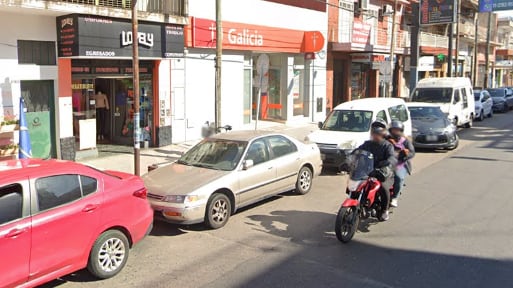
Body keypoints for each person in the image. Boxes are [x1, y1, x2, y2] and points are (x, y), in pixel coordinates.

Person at [357, 119, 397, 221]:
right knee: (356, 183)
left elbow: (392, 158)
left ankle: (384, 210)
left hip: (384, 173)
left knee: (382, 187)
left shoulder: (387, 146)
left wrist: (386, 163)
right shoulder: (367, 144)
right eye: (374, 133)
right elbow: (357, 151)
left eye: (378, 133)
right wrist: (348, 160)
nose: (375, 135)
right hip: (369, 171)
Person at [387, 120, 415, 208]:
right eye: (394, 130)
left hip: (400, 164)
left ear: (401, 130)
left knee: (398, 177)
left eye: (397, 130)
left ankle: (395, 197)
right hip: (386, 163)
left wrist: (404, 155)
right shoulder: (386, 139)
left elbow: (412, 152)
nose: (395, 132)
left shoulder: (405, 141)